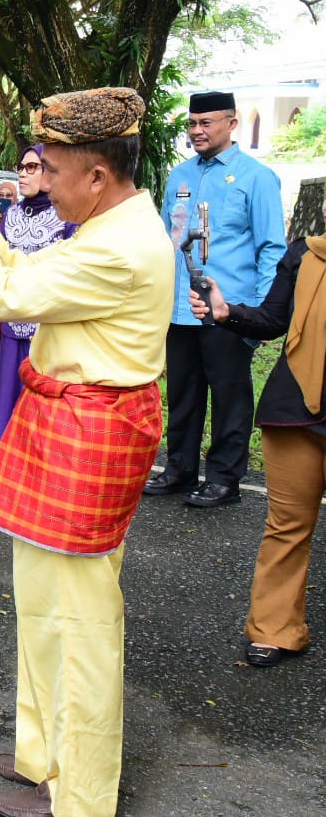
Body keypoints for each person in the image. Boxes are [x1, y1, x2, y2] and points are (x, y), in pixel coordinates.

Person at [0, 88, 174, 817]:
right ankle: (43, 752)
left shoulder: (117, 246)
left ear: (96, 174)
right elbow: (24, 277)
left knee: (80, 620)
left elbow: (1, 293)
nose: (39, 179)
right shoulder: (106, 223)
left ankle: (80, 790)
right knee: (42, 602)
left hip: (90, 427)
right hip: (70, 418)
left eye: (51, 168)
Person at [144, 90, 285, 508]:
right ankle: (180, 468)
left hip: (230, 310)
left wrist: (259, 313)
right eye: (192, 123)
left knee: (229, 396)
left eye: (206, 123)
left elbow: (271, 248)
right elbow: (169, 240)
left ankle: (224, 478)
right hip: (181, 308)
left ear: (232, 123)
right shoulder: (180, 176)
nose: (197, 131)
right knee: (183, 394)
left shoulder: (255, 177)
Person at [192, 226, 326, 666]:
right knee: (287, 525)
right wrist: (227, 312)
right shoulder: (306, 254)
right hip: (297, 411)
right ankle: (275, 628)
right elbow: (273, 318)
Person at [0, 144, 77, 465]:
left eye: (32, 167)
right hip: (11, 325)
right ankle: (2, 470)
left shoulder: (65, 216)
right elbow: (0, 266)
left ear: (50, 172)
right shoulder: (10, 214)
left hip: (47, 331)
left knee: (41, 405)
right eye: (21, 167)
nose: (23, 173)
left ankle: (38, 474)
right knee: (6, 401)